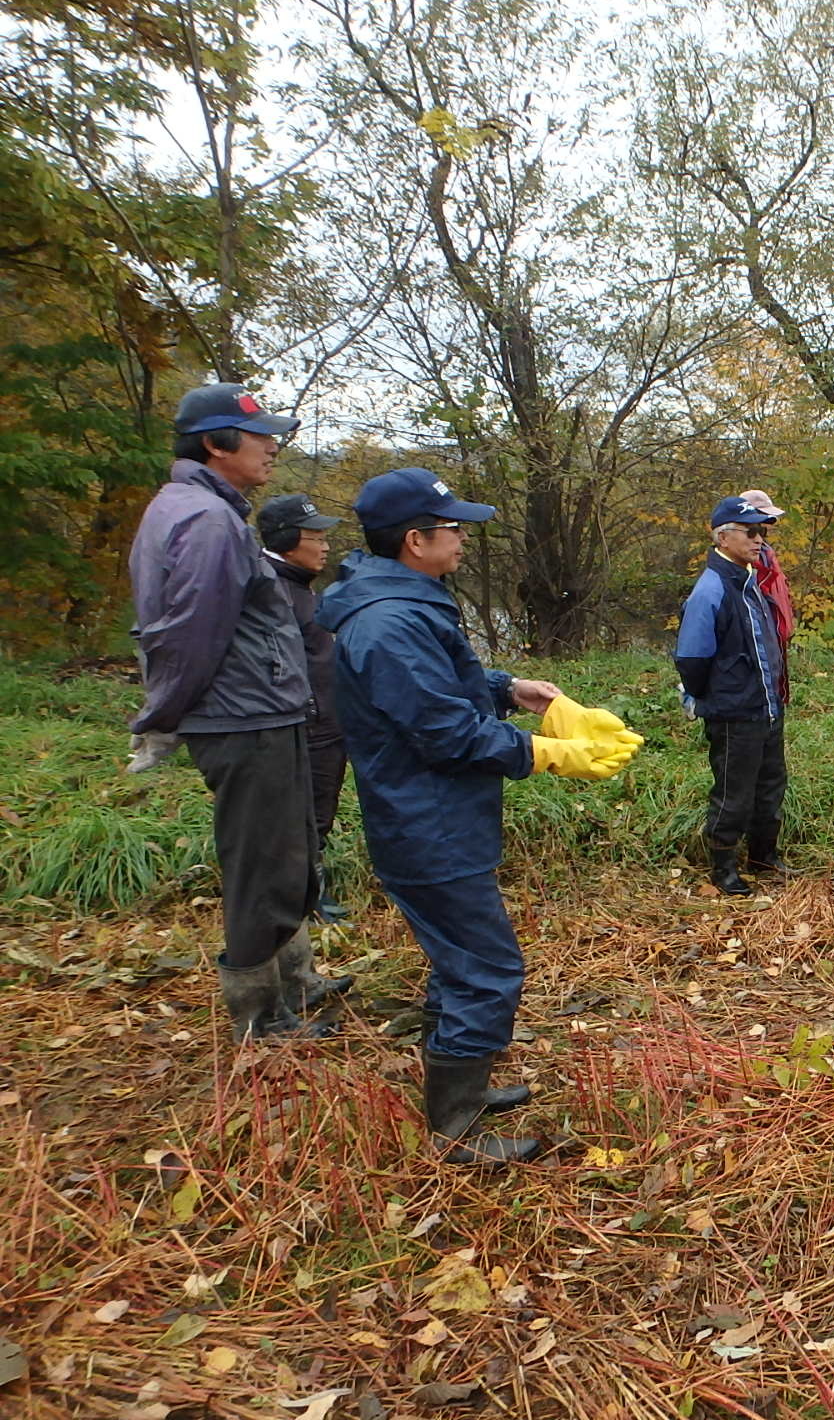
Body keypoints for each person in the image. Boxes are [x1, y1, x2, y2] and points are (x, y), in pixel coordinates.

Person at [318, 468, 640, 1166]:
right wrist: (546, 754)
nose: (463, 538)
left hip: (440, 816)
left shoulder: (406, 601)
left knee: (459, 958)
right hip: (425, 823)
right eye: (453, 528)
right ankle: (455, 1127)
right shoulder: (387, 622)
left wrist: (507, 688)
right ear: (415, 539)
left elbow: (447, 689)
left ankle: (459, 1091)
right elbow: (443, 731)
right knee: (487, 967)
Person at [127, 383, 339, 1042]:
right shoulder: (206, 521)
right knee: (262, 867)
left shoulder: (203, 509)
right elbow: (189, 630)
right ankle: (259, 1017)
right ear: (216, 443)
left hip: (265, 710)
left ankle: (294, 979)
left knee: (289, 856)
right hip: (243, 719)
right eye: (258, 435)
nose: (273, 446)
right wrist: (161, 716)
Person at [676, 496, 790, 896]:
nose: (761, 540)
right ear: (723, 537)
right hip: (734, 713)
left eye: (764, 531)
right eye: (752, 532)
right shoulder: (711, 589)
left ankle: (765, 858)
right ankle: (724, 868)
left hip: (767, 709)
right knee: (733, 793)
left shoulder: (749, 580)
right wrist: (708, 697)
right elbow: (691, 657)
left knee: (770, 785)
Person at [257, 493, 354, 925]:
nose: (326, 545)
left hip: (325, 721)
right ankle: (305, 902)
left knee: (319, 810)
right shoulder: (271, 589)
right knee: (305, 814)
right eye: (316, 536)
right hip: (304, 723)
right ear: (289, 540)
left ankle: (311, 892)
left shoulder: (298, 587)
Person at [738, 488, 795, 708]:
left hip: (775, 643)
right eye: (755, 528)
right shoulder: (741, 563)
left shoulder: (767, 555)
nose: (760, 536)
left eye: (766, 527)